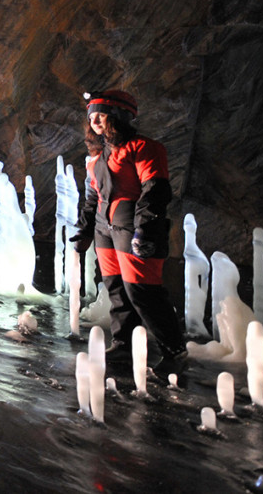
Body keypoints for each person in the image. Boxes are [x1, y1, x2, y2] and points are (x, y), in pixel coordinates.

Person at [70, 89, 188, 377]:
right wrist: (85, 230)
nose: (95, 120)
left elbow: (155, 189)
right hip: (104, 230)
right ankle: (125, 344)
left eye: (102, 114)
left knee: (142, 291)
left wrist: (145, 230)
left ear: (119, 116)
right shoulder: (96, 157)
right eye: (91, 116)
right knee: (117, 290)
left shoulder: (144, 147)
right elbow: (92, 197)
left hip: (133, 228)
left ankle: (175, 350)